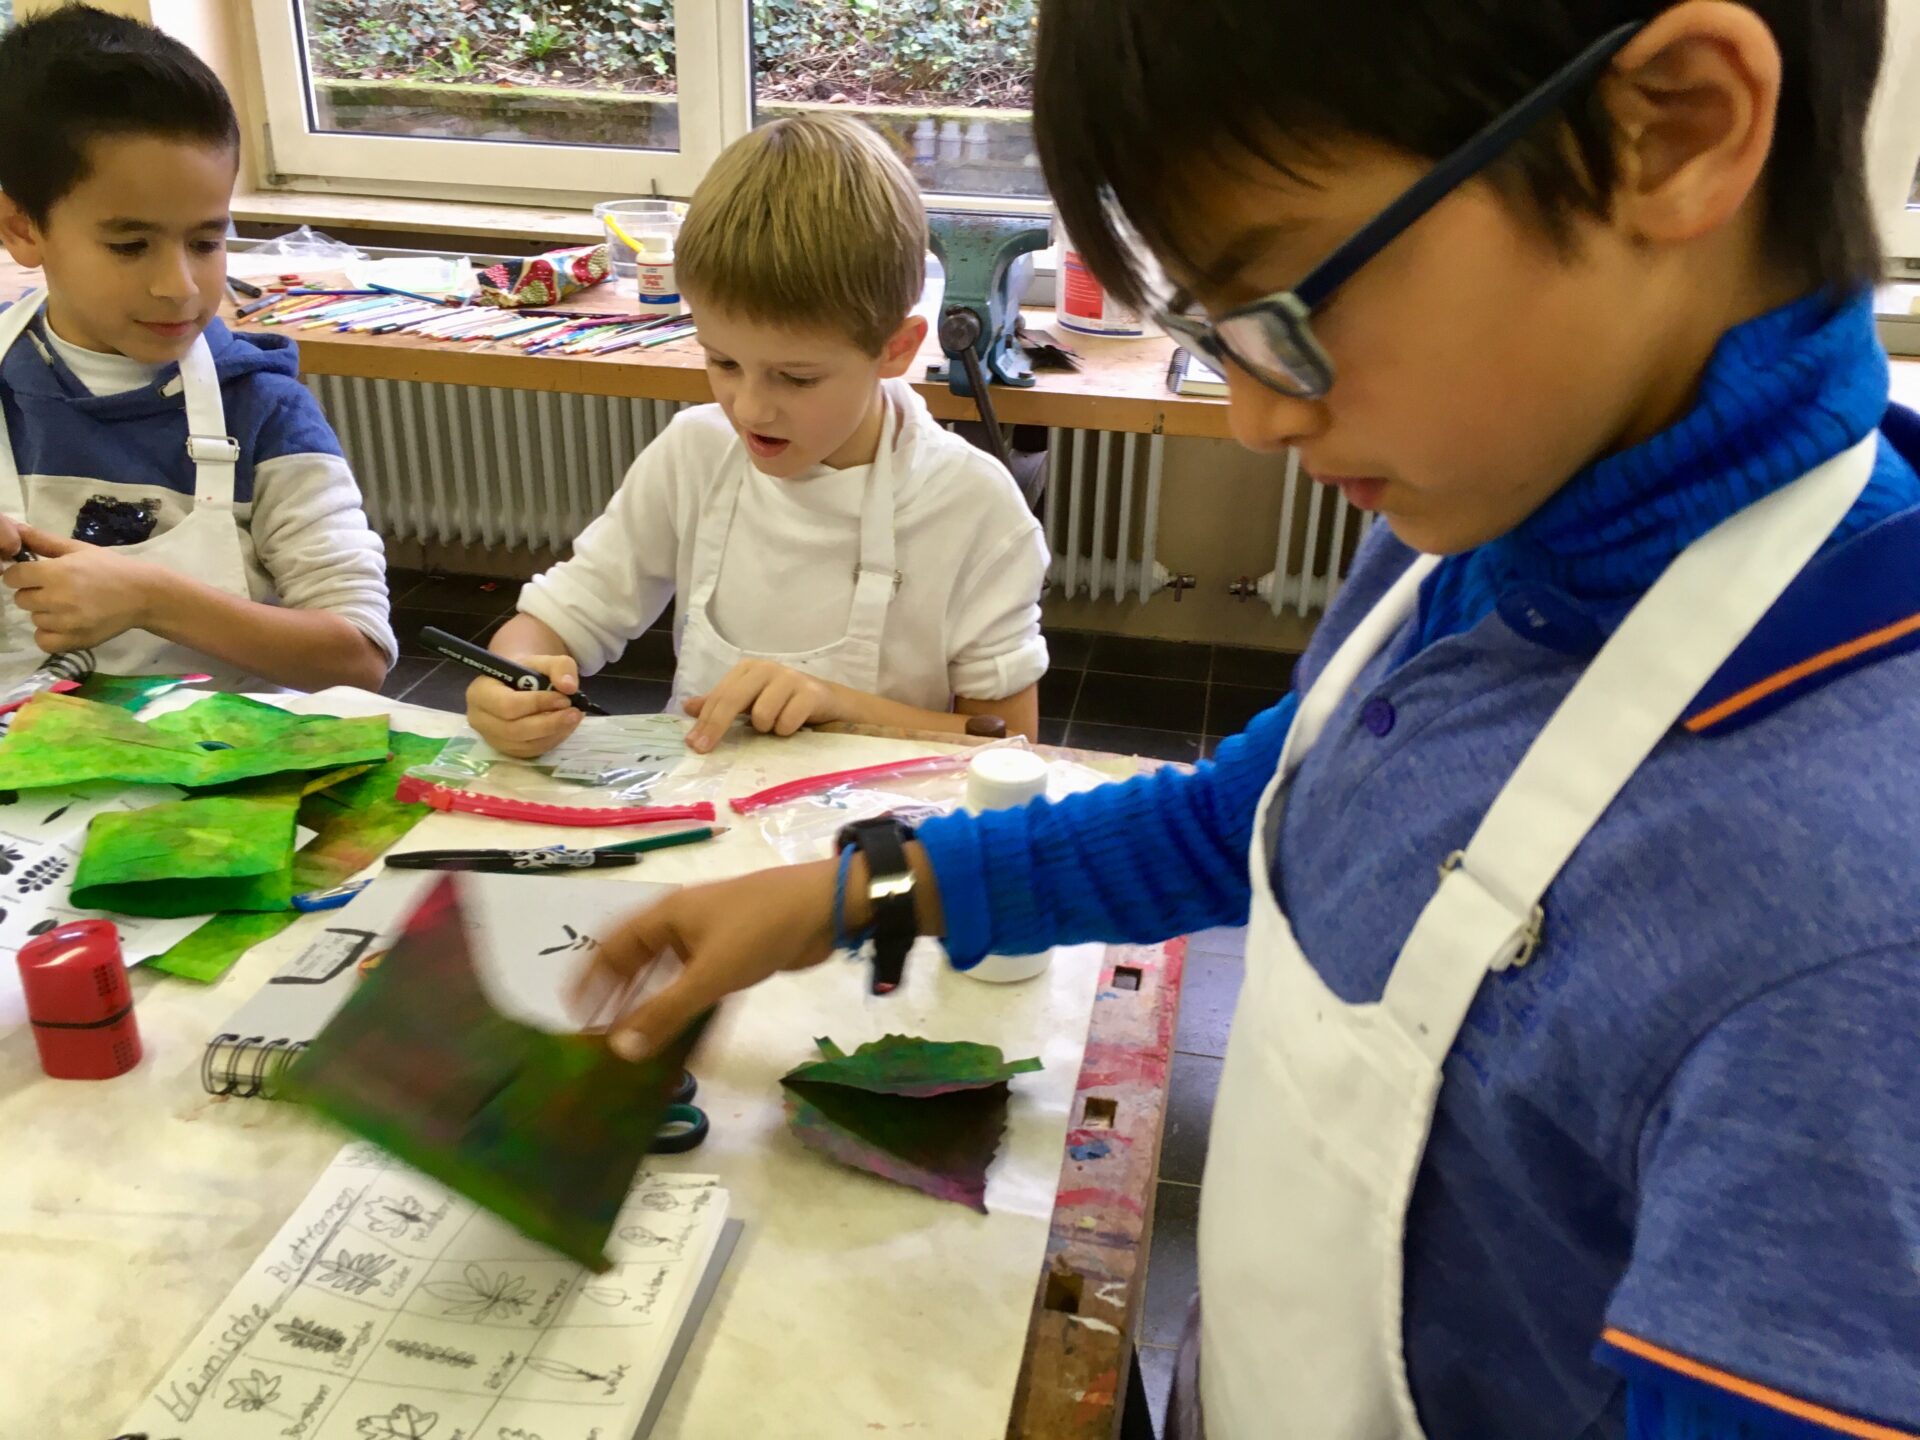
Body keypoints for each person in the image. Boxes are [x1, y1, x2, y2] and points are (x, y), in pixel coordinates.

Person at [576, 2, 1920, 1437]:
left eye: (1288, 305)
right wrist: (846, 898)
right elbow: (1245, 821)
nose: (1257, 421)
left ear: (1676, 129)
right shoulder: (1494, 517)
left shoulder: (1841, 923)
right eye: (1213, 331)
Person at [465, 115, 1049, 758]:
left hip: (891, 813)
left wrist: (841, 707)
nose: (749, 409)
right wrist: (514, 680)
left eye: (796, 378)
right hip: (702, 802)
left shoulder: (974, 508)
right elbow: (558, 619)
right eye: (722, 362)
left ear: (896, 349)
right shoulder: (695, 453)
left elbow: (1011, 744)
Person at [0, 5, 394, 692]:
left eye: (207, 242)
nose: (179, 286)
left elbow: (356, 657)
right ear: (22, 228)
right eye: (131, 245)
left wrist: (152, 600)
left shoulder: (264, 412)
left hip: (229, 758)